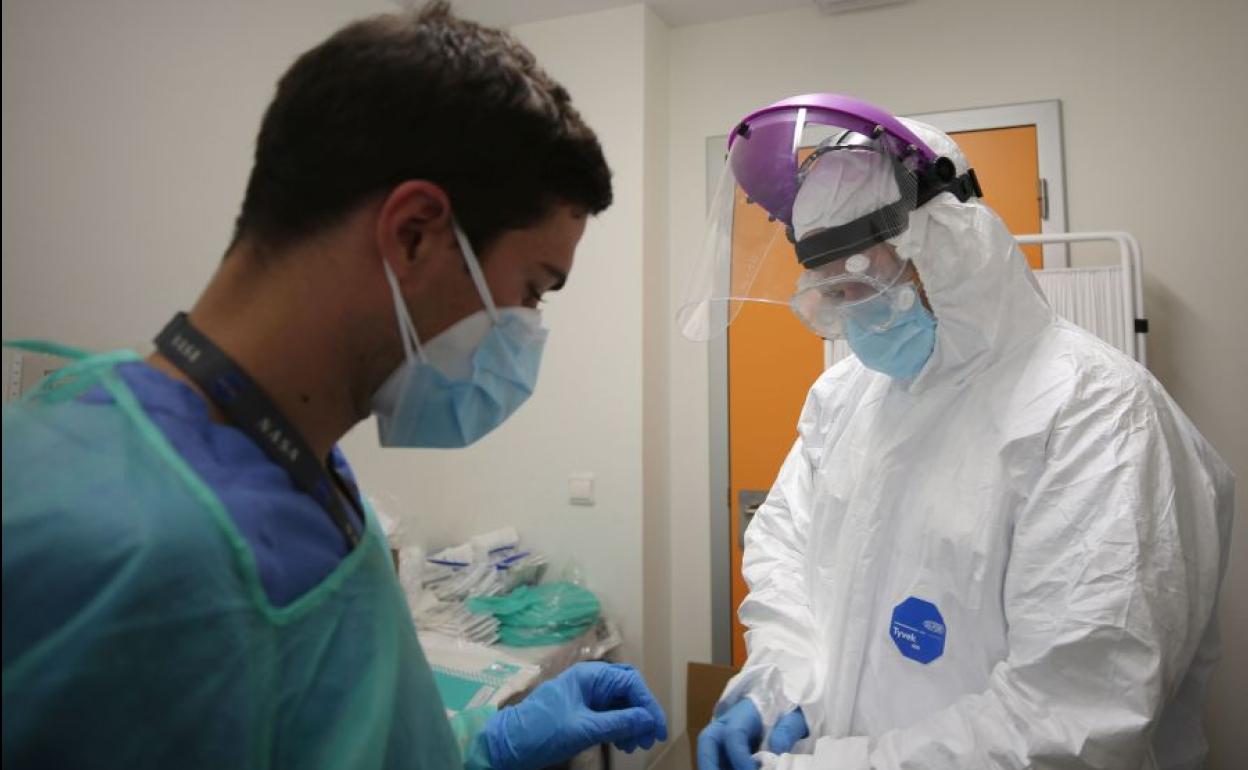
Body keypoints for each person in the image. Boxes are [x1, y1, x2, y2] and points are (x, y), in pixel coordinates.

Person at [1, 4, 667, 768]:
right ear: (414, 232)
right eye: (532, 290)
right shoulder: (109, 553)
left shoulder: (304, 468)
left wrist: (490, 744)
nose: (527, 331)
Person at [683, 94, 1233, 770]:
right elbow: (786, 552)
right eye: (829, 292)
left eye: (862, 282)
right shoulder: (846, 398)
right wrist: (777, 687)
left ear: (943, 245)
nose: (850, 317)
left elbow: (1073, 721)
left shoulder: (1097, 414)